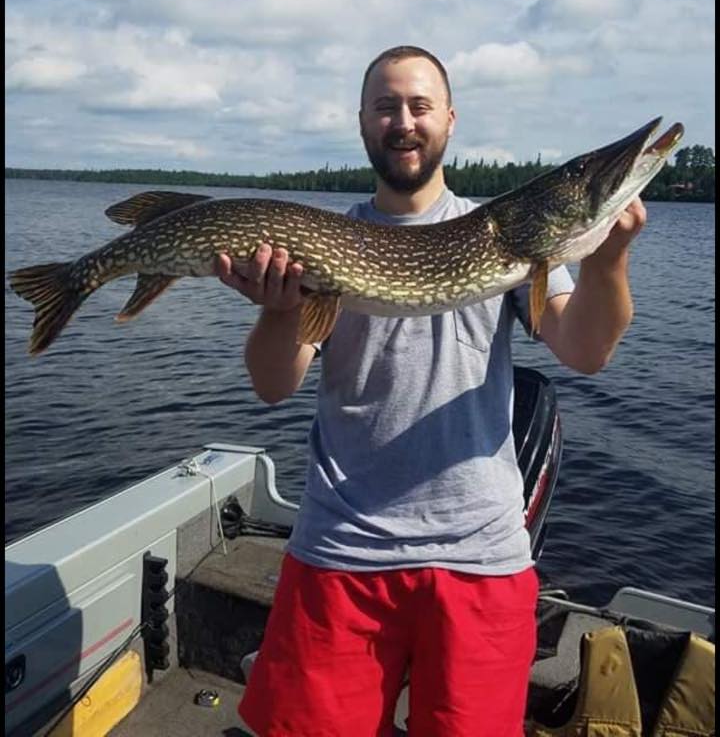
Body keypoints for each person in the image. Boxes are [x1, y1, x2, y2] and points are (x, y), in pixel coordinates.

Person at [215, 45, 646, 737]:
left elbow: (587, 349)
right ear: (362, 122)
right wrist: (277, 305)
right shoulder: (321, 239)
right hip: (339, 552)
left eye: (419, 105)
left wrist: (611, 257)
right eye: (386, 107)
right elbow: (272, 385)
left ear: (449, 118)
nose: (403, 121)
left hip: (479, 559)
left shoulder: (508, 237)